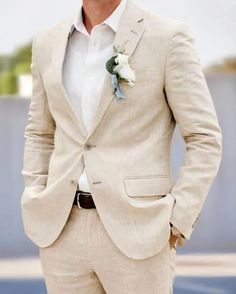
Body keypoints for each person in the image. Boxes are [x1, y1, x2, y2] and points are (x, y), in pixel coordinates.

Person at [20, 0, 222, 293]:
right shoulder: (46, 42)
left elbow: (204, 137)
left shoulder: (168, 37)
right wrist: (36, 190)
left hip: (139, 231)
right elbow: (39, 132)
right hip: (62, 232)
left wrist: (177, 219)